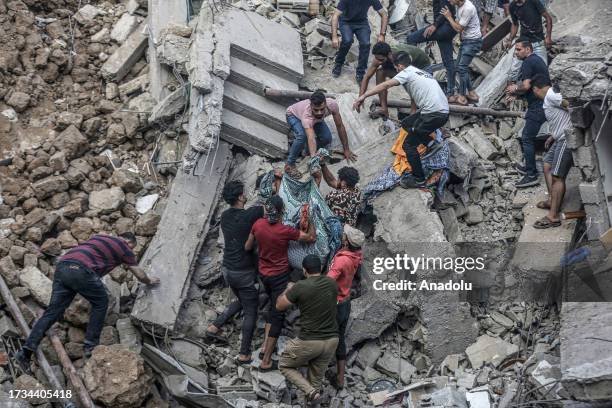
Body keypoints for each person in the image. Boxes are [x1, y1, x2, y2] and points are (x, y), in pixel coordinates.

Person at [14, 233, 159, 371]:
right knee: (101, 302)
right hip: (81, 269)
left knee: (52, 312)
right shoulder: (124, 247)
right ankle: (90, 347)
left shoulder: (99, 237)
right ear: (129, 242)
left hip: (63, 266)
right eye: (131, 247)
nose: (130, 250)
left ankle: (25, 352)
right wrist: (149, 281)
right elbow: (139, 274)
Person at [353, 52, 450, 188]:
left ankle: (419, 179)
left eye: (396, 68)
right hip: (441, 111)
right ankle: (430, 143)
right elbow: (416, 95)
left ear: (399, 66)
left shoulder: (406, 73)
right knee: (407, 123)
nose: (396, 71)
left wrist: (363, 96)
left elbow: (385, 85)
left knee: (408, 146)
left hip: (433, 114)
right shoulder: (419, 72)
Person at [245, 195, 316, 371]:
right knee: (278, 315)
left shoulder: (258, 225)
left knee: (272, 308)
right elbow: (310, 238)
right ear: (281, 211)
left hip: (263, 275)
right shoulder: (285, 230)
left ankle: (264, 347)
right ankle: (266, 361)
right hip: (279, 276)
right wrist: (312, 220)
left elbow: (247, 246)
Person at [205, 181, 264, 364]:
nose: (246, 195)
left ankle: (215, 326)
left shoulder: (225, 215)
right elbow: (268, 206)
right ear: (239, 197)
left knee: (242, 300)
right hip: (243, 273)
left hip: (228, 270)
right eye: (244, 193)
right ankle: (244, 353)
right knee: (251, 310)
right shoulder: (250, 215)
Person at [277, 255, 339, 405]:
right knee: (315, 381)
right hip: (331, 340)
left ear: (304, 270)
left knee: (285, 365)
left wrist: (288, 289)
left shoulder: (301, 286)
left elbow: (279, 305)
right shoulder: (332, 284)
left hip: (310, 340)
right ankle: (312, 396)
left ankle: (310, 392)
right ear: (321, 268)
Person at [504, 39, 550, 188]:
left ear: (528, 49)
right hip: (541, 103)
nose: (516, 52)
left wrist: (514, 89)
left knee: (527, 138)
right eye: (515, 50)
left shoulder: (528, 62)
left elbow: (525, 85)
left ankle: (531, 174)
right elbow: (532, 86)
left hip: (538, 106)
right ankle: (529, 168)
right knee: (527, 137)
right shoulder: (535, 60)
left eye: (518, 49)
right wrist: (518, 95)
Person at [531, 74, 574, 229]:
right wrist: (553, 135)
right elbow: (561, 115)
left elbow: (569, 105)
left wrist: (573, 126)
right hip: (558, 137)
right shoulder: (550, 97)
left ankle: (553, 216)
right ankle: (551, 201)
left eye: (533, 91)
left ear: (536, 89)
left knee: (557, 176)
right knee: (547, 165)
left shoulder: (551, 95)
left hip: (566, 138)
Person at [285, 90, 357, 179]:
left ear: (326, 104)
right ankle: (289, 164)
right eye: (316, 110)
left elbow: (340, 126)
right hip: (293, 115)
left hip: (315, 120)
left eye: (322, 109)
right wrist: (314, 160)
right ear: (311, 106)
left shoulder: (332, 105)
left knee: (327, 138)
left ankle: (305, 151)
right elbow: (311, 138)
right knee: (302, 136)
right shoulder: (307, 117)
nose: (319, 112)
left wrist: (346, 149)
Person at [327, 225, 364, 390]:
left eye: (344, 236)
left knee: (325, 337)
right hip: (345, 302)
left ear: (347, 242)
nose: (342, 237)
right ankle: (340, 378)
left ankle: (315, 375)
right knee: (340, 338)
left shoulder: (342, 260)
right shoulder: (356, 256)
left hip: (334, 303)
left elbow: (327, 282)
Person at [359, 42, 432, 118]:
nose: (378, 62)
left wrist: (412, 112)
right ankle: (384, 109)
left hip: (423, 67)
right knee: (380, 72)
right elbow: (367, 77)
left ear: (389, 55)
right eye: (377, 58)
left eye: (381, 60)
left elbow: (411, 81)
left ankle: (413, 112)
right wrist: (360, 98)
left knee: (410, 83)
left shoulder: (401, 58)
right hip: (400, 65)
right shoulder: (379, 58)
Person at [406, 0, 458, 96]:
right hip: (447, 29)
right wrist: (435, 35)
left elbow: (444, 10)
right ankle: (450, 92)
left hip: (443, 27)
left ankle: (413, 74)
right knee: (448, 61)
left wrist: (435, 26)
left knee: (411, 38)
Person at [331, 0, 388, 84]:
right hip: (346, 22)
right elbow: (335, 15)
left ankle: (360, 73)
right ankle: (338, 63)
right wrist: (334, 36)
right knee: (347, 40)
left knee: (366, 44)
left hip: (361, 23)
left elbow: (384, 14)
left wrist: (382, 34)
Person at [441, 0, 483, 105]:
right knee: (459, 66)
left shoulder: (468, 8)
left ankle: (462, 95)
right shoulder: (459, 6)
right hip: (466, 41)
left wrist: (448, 17)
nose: (449, 0)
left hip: (472, 42)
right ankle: (472, 93)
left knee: (462, 68)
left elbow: (459, 28)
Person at [503, 0, 553, 81]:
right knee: (514, 71)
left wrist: (548, 37)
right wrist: (510, 39)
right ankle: (511, 91)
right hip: (524, 42)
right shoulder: (512, 6)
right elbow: (515, 24)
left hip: (538, 41)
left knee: (542, 71)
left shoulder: (533, 2)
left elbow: (548, 17)